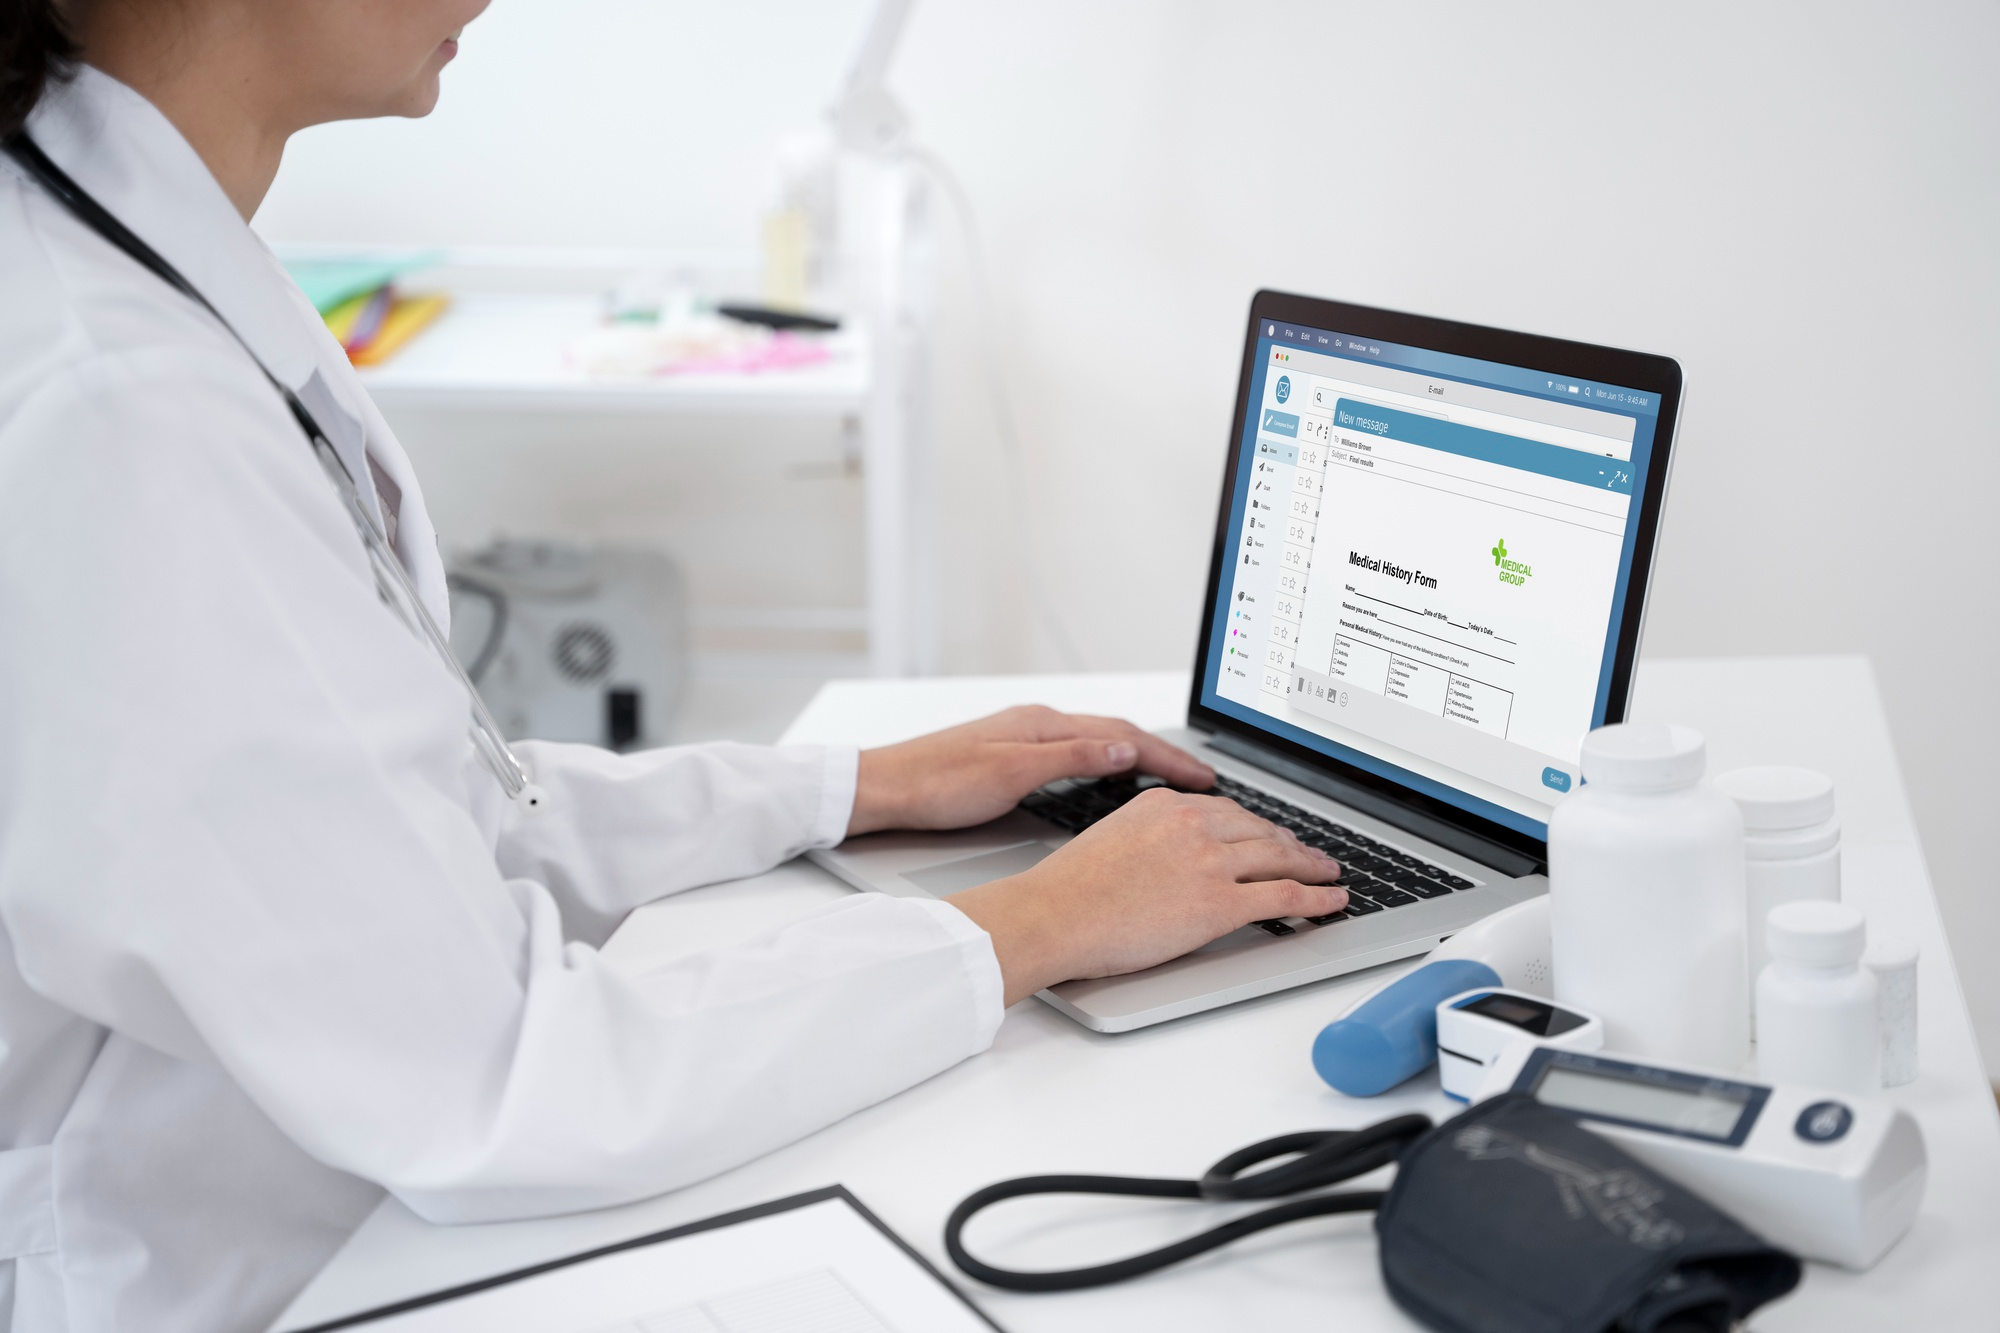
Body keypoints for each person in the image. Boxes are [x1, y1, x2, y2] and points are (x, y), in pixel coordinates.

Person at [0, 3, 1346, 1330]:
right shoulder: (117, 401)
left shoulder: (136, 268)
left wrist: (846, 784)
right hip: (225, 1274)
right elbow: (501, 1088)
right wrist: (1041, 923)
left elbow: (425, 823)